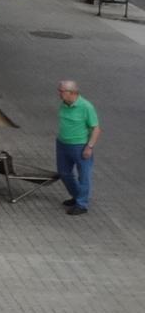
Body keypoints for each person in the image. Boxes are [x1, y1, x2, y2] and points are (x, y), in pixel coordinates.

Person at [57, 80, 101, 215]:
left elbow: (96, 129)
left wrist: (89, 147)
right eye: (59, 90)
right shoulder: (64, 104)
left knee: (84, 176)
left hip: (79, 146)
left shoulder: (86, 106)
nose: (59, 93)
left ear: (72, 92)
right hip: (62, 144)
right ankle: (77, 195)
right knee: (64, 173)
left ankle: (82, 205)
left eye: (62, 91)